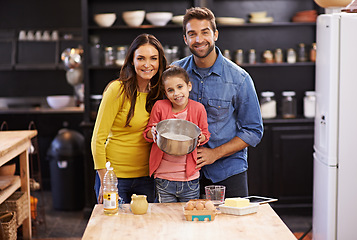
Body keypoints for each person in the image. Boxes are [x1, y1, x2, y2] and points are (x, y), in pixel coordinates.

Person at [173, 7, 263, 198]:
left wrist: (215, 153)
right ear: (185, 39)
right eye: (192, 34)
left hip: (228, 171)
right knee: (186, 226)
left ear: (215, 34)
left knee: (233, 227)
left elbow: (253, 130)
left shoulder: (239, 78)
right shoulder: (174, 73)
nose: (199, 40)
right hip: (182, 172)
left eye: (205, 32)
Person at [91, 33, 167, 204]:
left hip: (148, 178)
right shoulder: (117, 90)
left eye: (153, 58)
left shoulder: (160, 92)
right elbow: (97, 139)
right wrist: (106, 181)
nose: (147, 64)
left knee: (146, 229)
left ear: (159, 62)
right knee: (115, 228)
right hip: (115, 178)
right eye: (141, 58)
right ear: (132, 61)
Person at [143, 65, 210, 203]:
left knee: (189, 216)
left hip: (190, 178)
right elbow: (148, 133)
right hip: (163, 177)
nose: (176, 93)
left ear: (189, 86)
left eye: (180, 87)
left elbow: (205, 134)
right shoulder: (160, 107)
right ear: (165, 93)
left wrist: (200, 137)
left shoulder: (198, 109)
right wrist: (153, 132)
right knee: (166, 218)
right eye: (170, 90)